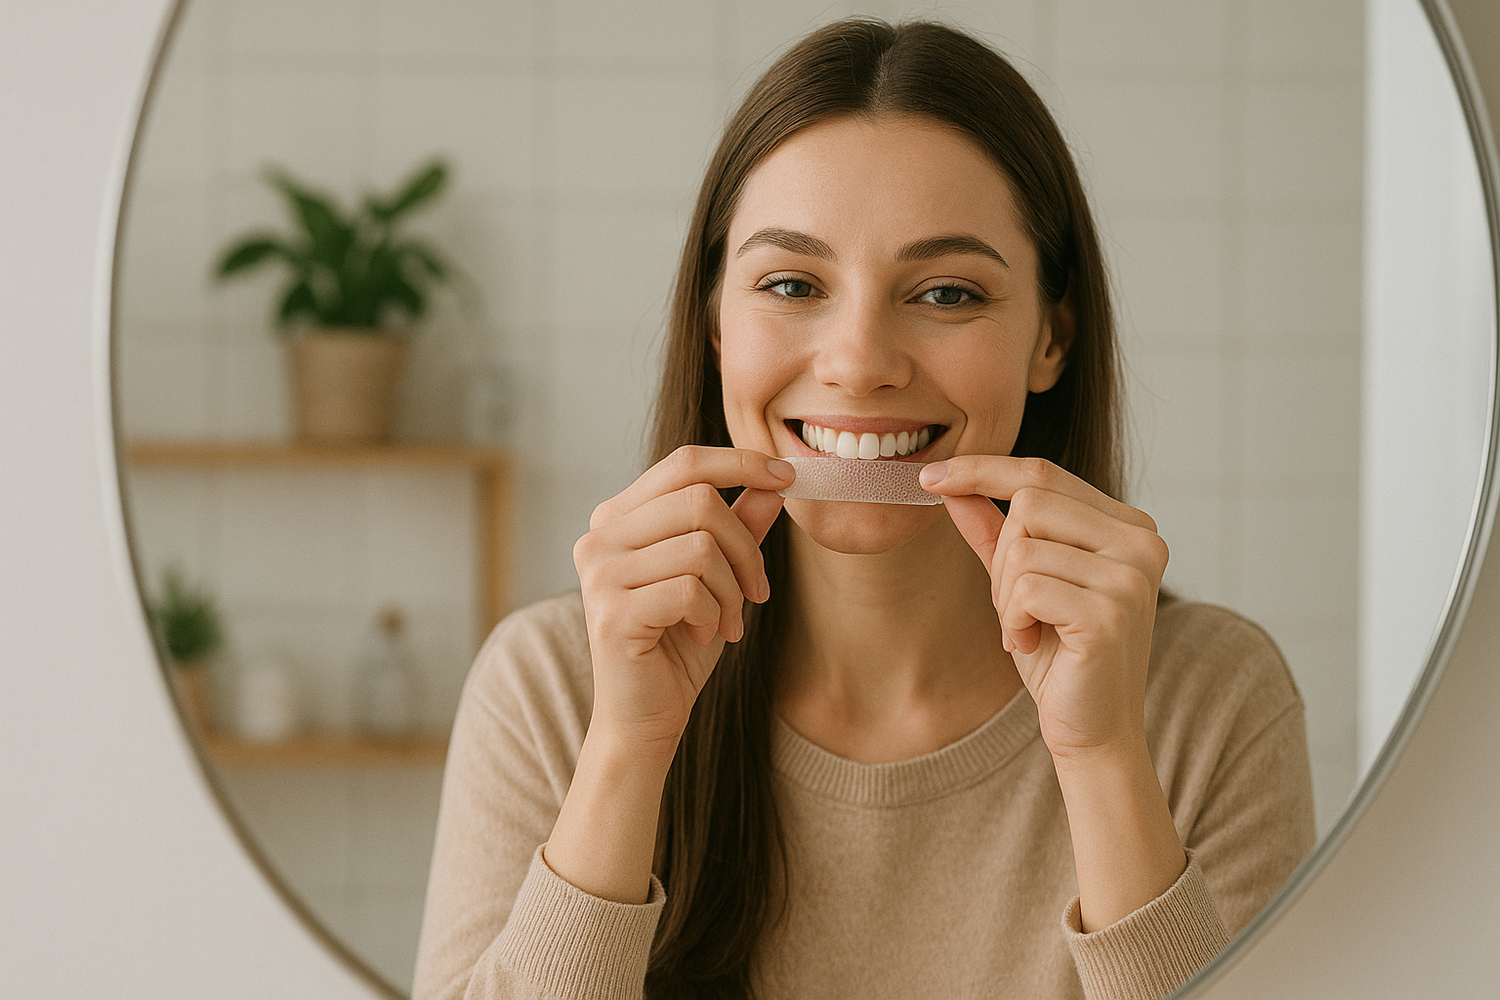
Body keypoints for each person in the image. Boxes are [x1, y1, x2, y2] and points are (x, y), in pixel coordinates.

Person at [412, 18, 1315, 1000]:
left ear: (1051, 339)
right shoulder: (549, 689)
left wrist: (1101, 760)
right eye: (792, 283)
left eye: (947, 293)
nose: (858, 362)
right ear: (717, 324)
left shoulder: (1215, 702)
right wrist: (628, 750)